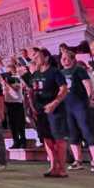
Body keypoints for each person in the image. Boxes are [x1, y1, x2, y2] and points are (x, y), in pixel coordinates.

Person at [21, 48, 69, 177]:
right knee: (47, 139)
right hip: (40, 110)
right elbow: (31, 91)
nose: (34, 59)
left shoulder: (55, 72)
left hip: (55, 110)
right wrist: (32, 107)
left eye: (37, 56)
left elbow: (64, 89)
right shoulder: (35, 74)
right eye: (33, 57)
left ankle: (62, 168)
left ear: (46, 58)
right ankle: (53, 166)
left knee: (58, 139)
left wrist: (54, 103)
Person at [60, 53, 94, 172]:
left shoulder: (78, 70)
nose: (64, 60)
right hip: (67, 106)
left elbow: (87, 84)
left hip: (80, 105)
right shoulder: (61, 73)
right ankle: (78, 161)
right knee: (72, 133)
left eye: (66, 58)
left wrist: (90, 98)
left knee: (87, 130)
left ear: (73, 59)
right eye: (62, 58)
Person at [0, 63, 27, 149]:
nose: (8, 73)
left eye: (9, 70)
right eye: (7, 71)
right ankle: (16, 141)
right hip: (8, 103)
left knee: (20, 123)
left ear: (13, 70)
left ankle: (23, 141)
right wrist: (2, 83)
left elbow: (16, 89)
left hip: (17, 103)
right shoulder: (5, 80)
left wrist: (6, 83)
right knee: (12, 124)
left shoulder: (16, 78)